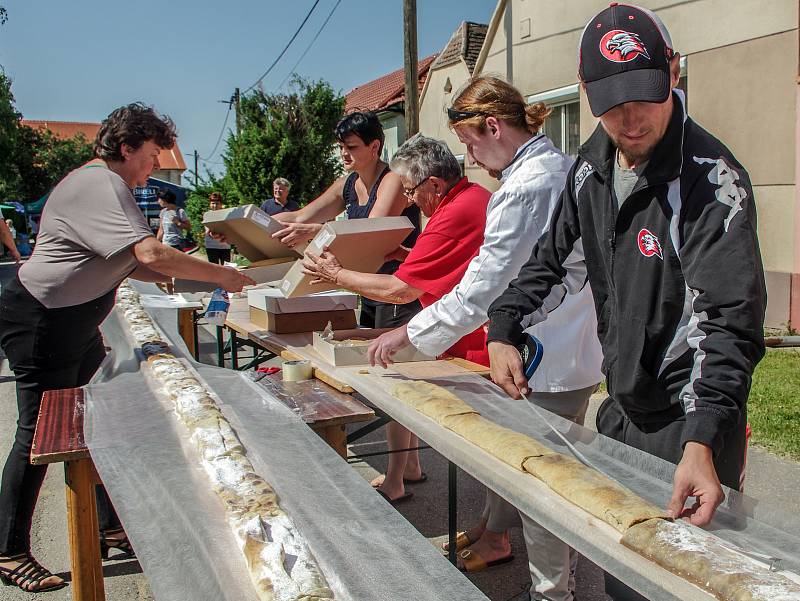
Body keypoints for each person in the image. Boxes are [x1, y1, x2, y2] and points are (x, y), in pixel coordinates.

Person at [485, 5, 765, 598]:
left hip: (690, 425)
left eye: (645, 96)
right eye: (612, 103)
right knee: (622, 579)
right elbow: (553, 262)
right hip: (623, 411)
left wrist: (703, 438)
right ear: (585, 89)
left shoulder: (712, 180)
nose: (631, 120)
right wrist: (504, 325)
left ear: (674, 73)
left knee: (679, 584)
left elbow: (729, 323)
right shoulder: (588, 168)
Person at [0, 102, 254, 593]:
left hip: (71, 324)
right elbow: (150, 253)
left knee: (104, 417)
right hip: (42, 321)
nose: (156, 165)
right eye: (153, 154)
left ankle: (108, 524)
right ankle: (8, 549)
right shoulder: (101, 184)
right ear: (126, 147)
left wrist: (198, 278)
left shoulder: (108, 186)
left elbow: (132, 264)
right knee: (38, 436)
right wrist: (222, 273)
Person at [368, 76, 603, 598]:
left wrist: (408, 332)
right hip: (560, 350)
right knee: (531, 472)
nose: (469, 156)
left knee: (540, 487)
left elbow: (483, 287)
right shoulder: (551, 169)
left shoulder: (527, 187)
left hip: (544, 359)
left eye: (470, 141)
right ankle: (522, 556)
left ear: (493, 126)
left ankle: (552, 592)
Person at [302, 134, 492, 503]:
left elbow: (399, 291)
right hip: (467, 339)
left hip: (476, 351)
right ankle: (486, 523)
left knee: (485, 453)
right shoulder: (470, 199)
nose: (408, 200)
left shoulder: (453, 213)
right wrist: (409, 254)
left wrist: (336, 275)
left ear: (434, 184)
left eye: (409, 191)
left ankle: (493, 531)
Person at [274, 110, 422, 328]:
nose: (344, 153)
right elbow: (300, 216)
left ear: (374, 147)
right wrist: (248, 224)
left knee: (392, 360)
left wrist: (318, 231)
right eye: (341, 147)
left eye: (352, 147)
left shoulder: (393, 179)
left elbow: (369, 231)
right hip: (368, 288)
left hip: (398, 291)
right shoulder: (348, 183)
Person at [205, 192, 231, 264]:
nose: (215, 205)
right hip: (211, 246)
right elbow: (207, 231)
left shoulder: (226, 214)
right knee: (214, 270)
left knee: (226, 269)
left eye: (217, 203)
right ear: (210, 204)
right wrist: (212, 234)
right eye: (213, 203)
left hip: (225, 246)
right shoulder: (207, 214)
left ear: (221, 204)